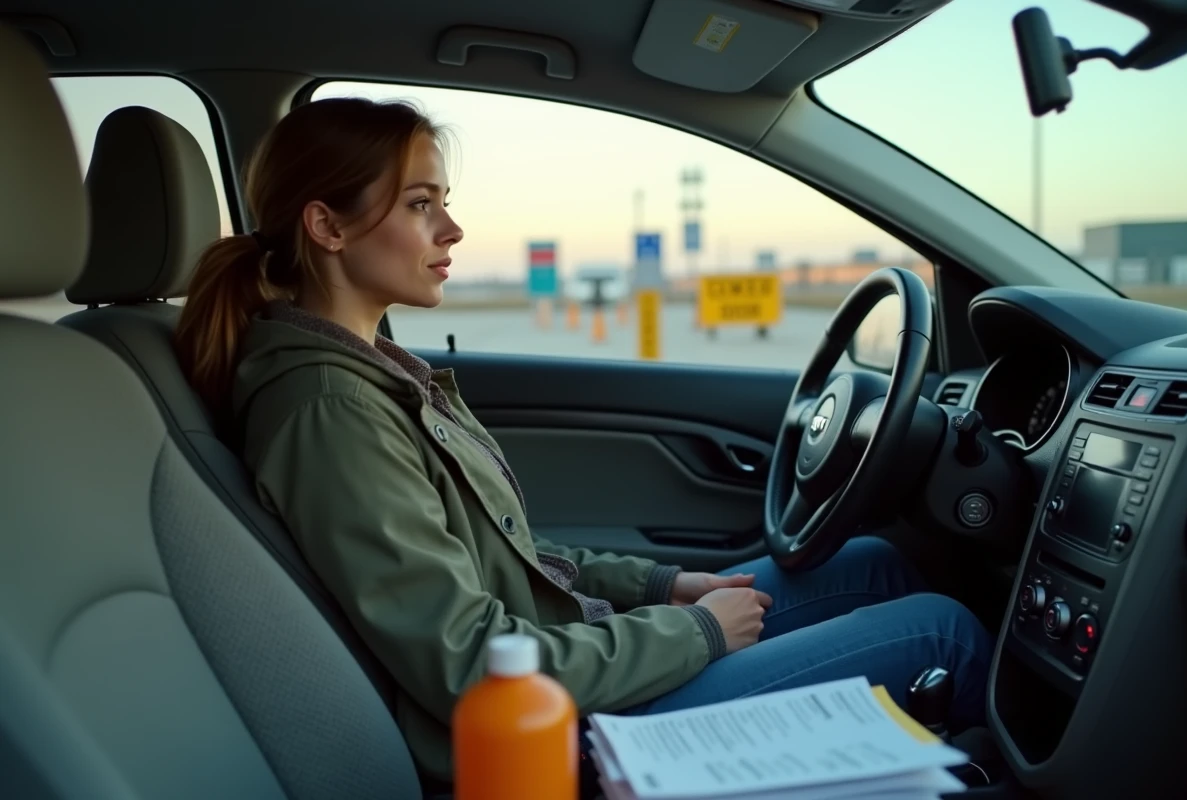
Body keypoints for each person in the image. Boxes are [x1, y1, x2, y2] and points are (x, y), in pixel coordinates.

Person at [175, 97, 994, 784]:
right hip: (543, 733)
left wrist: (666, 585)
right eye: (421, 204)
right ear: (328, 226)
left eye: (444, 200)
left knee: (878, 565)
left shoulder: (377, 376)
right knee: (939, 631)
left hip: (566, 667)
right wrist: (697, 631)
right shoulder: (330, 410)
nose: (453, 229)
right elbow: (464, 663)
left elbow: (511, 555)